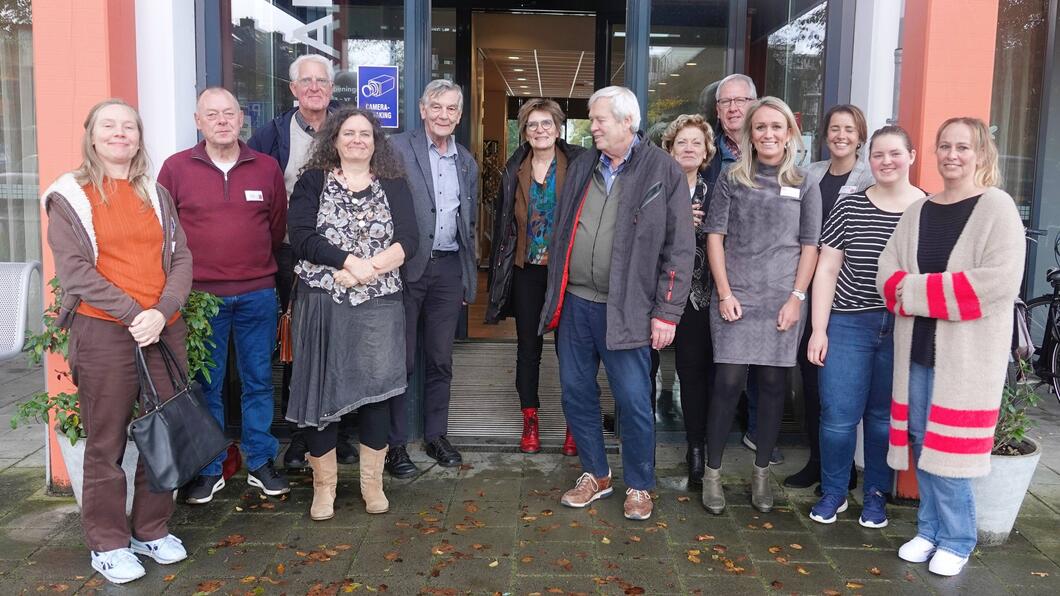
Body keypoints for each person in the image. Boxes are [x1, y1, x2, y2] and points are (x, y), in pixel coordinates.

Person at [43, 99, 193, 584]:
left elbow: (182, 258)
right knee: (106, 441)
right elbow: (75, 272)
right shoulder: (69, 195)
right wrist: (135, 314)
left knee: (163, 432)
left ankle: (151, 528)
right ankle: (107, 543)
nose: (120, 134)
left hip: (161, 330)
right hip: (104, 330)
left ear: (139, 136)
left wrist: (161, 312)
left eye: (129, 126)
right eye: (109, 126)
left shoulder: (154, 190)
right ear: (91, 135)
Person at [540, 86, 694, 521]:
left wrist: (667, 313)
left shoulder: (663, 170)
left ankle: (641, 484)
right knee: (575, 392)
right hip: (575, 304)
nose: (594, 126)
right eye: (593, 118)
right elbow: (564, 227)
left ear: (628, 122)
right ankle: (596, 474)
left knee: (633, 399)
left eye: (601, 118)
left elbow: (679, 250)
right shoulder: (586, 164)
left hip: (628, 309)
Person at [878, 117, 1024, 577]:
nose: (952, 155)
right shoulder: (920, 209)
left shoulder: (996, 208)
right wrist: (918, 289)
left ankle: (958, 538)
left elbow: (996, 283)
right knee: (923, 441)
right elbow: (888, 273)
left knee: (950, 450)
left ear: (981, 153)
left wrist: (917, 293)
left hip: (965, 359)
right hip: (918, 351)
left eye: (962, 147)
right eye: (944, 146)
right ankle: (928, 529)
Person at [158, 87, 290, 504]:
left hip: (257, 294)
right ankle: (210, 467)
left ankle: (261, 462)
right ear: (198, 121)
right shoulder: (175, 169)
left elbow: (275, 227)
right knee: (205, 385)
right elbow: (165, 232)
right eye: (212, 114)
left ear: (240, 119)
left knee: (257, 382)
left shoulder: (265, 167)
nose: (221, 121)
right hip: (200, 300)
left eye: (229, 113)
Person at [286, 107, 418, 519]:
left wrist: (368, 269)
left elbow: (409, 239)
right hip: (322, 302)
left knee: (377, 391)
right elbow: (302, 237)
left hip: (379, 303)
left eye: (365, 133)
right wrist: (347, 262)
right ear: (334, 140)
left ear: (376, 141)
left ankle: (371, 486)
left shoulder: (393, 184)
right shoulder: (312, 181)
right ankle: (323, 489)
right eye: (348, 133)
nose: (357, 139)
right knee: (321, 388)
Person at [702, 97, 822, 515]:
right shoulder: (732, 179)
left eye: (777, 126)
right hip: (737, 296)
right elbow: (714, 236)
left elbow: (811, 246)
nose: (768, 134)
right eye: (760, 127)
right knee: (728, 384)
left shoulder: (805, 183)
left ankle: (759, 476)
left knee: (773, 388)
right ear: (749, 134)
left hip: (782, 300)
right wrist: (724, 292)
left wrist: (797, 298)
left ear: (789, 132)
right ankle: (712, 476)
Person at [806, 125, 925, 527]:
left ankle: (876, 493)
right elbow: (826, 269)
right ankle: (835, 491)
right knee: (838, 415)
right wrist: (818, 330)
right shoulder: (849, 206)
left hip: (903, 328)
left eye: (895, 153)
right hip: (849, 323)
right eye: (878, 155)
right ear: (868, 159)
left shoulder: (927, 208)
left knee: (881, 419)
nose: (886, 161)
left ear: (912, 156)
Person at [248, 54, 355, 469]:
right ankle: (301, 438)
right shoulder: (271, 136)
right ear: (292, 89)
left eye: (321, 81)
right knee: (301, 348)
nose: (314, 88)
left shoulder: (350, 129)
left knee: (343, 346)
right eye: (305, 81)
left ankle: (340, 433)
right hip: (293, 258)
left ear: (331, 89)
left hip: (346, 261)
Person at [386, 80, 480, 477]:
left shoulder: (466, 161)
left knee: (440, 359)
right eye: (437, 107)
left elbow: (468, 222)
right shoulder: (396, 149)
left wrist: (467, 277)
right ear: (423, 109)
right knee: (400, 361)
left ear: (459, 115)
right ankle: (393, 446)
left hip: (448, 267)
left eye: (452, 109)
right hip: (405, 268)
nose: (444, 115)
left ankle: (436, 435)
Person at [484, 98, 584, 455]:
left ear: (558, 128)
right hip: (527, 272)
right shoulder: (515, 168)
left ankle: (576, 425)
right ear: (524, 131)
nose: (540, 130)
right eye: (532, 125)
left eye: (547, 123)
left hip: (570, 273)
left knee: (572, 352)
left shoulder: (578, 164)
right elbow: (504, 224)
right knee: (528, 349)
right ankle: (530, 421)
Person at [784, 104, 876, 490]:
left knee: (841, 383)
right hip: (808, 287)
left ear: (860, 136)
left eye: (849, 130)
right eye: (835, 128)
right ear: (825, 134)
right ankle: (818, 461)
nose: (841, 135)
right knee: (810, 377)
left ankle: (843, 470)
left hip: (851, 292)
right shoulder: (811, 173)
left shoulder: (871, 176)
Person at [659, 114, 717, 487]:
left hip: (698, 298)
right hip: (658, 296)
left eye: (697, 142)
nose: (690, 148)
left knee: (693, 377)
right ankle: (639, 451)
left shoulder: (717, 193)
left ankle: (697, 452)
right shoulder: (656, 188)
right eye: (682, 142)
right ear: (670, 148)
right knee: (643, 373)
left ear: (707, 151)